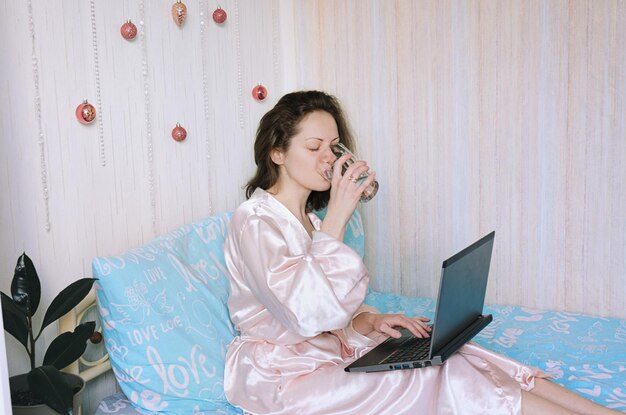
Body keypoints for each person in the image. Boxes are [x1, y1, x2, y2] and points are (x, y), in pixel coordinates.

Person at [223, 90, 620, 415]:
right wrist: (339, 216)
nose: (330, 159)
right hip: (283, 377)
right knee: (428, 374)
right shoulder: (256, 220)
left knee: (453, 353)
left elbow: (331, 312)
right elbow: (306, 314)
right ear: (277, 152)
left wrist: (372, 321)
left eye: (332, 146)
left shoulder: (309, 220)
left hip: (323, 355)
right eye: (314, 147)